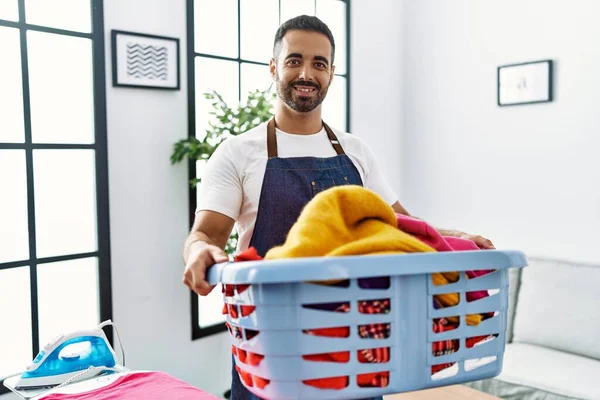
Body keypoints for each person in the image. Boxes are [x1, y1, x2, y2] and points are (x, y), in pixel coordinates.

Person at [182, 15, 494, 400]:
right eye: (295, 60)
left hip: (356, 348)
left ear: (331, 73)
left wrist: (456, 237)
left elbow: (402, 226)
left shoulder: (354, 151)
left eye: (319, 63)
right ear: (274, 67)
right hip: (274, 351)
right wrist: (199, 252)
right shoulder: (237, 152)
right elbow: (206, 235)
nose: (307, 73)